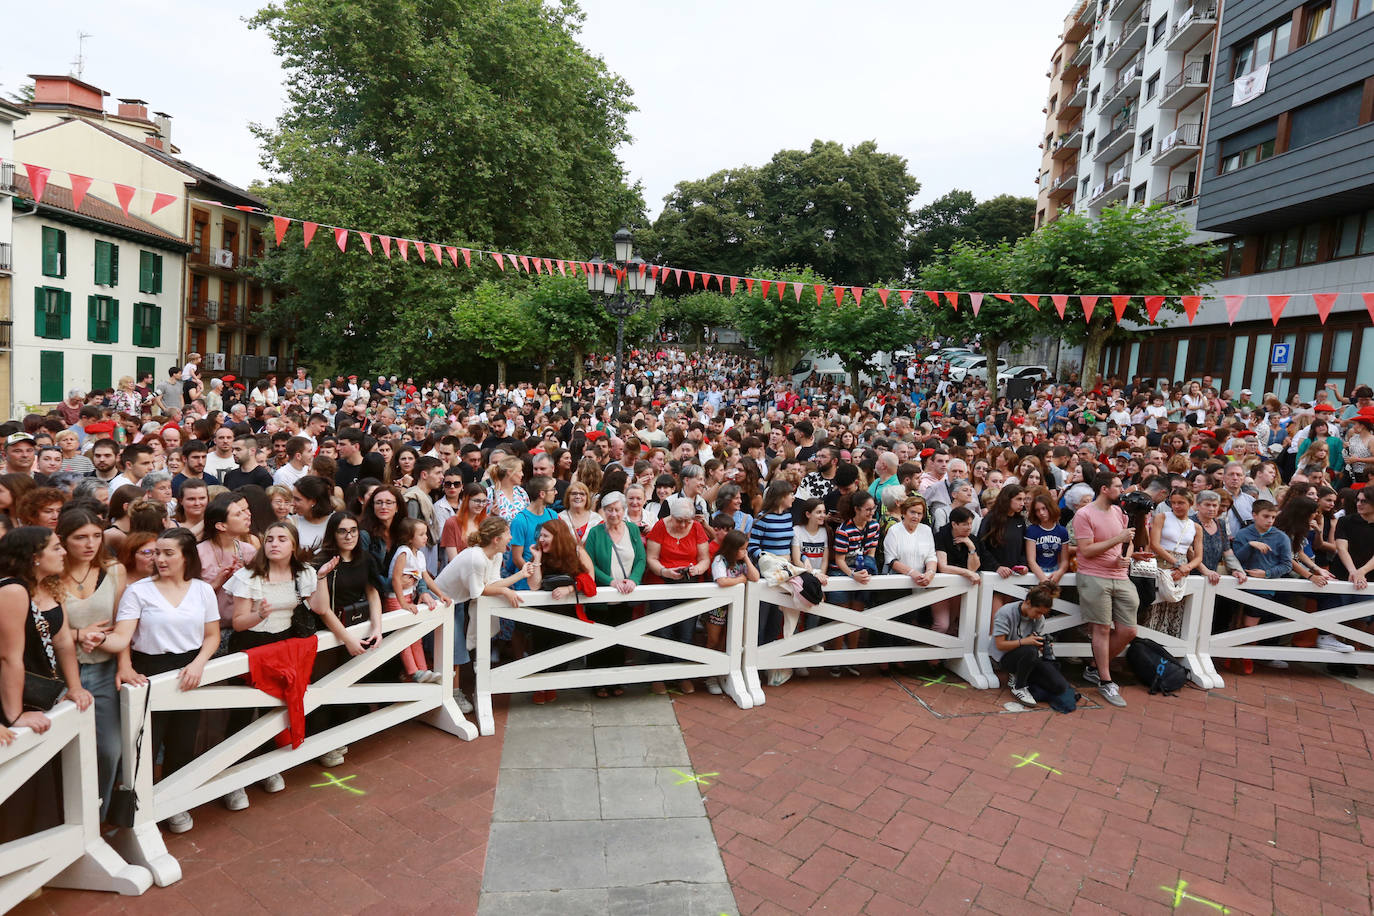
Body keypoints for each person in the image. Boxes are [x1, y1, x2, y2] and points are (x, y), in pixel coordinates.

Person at [104, 528, 219, 833]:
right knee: (144, 740)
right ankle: (139, 808)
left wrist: (198, 664)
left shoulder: (202, 590)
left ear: (186, 556)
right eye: (157, 552)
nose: (160, 559)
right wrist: (125, 667)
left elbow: (212, 636)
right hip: (149, 668)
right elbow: (124, 636)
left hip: (189, 668)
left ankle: (175, 803)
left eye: (169, 553)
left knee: (183, 737)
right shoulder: (138, 591)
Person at [58, 509, 130, 819]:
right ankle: (65, 819)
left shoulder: (114, 570)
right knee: (62, 751)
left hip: (104, 668)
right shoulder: (50, 574)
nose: (90, 544)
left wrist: (123, 664)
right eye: (80, 537)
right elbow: (42, 628)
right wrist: (78, 634)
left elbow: (122, 623)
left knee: (109, 749)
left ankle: (95, 816)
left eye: (96, 536)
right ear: (63, 540)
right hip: (61, 672)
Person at [1073, 473, 1137, 708]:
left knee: (1129, 630)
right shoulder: (1084, 514)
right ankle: (1105, 680)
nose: (1122, 490)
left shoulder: (1120, 512)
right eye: (1118, 487)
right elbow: (1086, 550)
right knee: (1101, 628)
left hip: (1120, 576)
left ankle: (1093, 667)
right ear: (1104, 489)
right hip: (1093, 575)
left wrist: (1126, 558)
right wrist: (1117, 540)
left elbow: (1128, 542)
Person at [644, 497, 711, 695]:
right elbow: (652, 558)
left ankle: (683, 675)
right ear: (671, 516)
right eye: (678, 520)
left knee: (686, 631)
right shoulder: (659, 526)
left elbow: (704, 558)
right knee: (661, 631)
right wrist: (665, 571)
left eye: (686, 521)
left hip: (688, 584)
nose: (682, 525)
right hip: (662, 583)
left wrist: (697, 569)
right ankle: (659, 676)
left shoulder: (697, 528)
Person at [523, 519, 594, 705]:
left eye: (546, 536)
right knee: (539, 648)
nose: (541, 539)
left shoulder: (577, 552)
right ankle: (539, 686)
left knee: (562, 647)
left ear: (558, 537)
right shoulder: (540, 555)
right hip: (542, 612)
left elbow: (590, 580)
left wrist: (569, 590)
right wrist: (537, 559)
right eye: (541, 535)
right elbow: (534, 585)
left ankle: (552, 683)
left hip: (567, 611)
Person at [584, 491, 644, 697]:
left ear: (623, 510)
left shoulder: (633, 530)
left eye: (617, 509)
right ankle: (597, 683)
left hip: (625, 597)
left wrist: (633, 580)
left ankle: (616, 680)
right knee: (599, 640)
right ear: (603, 512)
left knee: (620, 639)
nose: (613, 514)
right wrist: (610, 581)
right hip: (601, 598)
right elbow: (588, 563)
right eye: (609, 510)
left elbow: (640, 560)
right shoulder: (595, 533)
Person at [990, 583, 1077, 712]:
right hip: (1004, 658)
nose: (1038, 616)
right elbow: (1000, 645)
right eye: (1037, 612)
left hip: (1029, 657)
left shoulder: (1039, 618)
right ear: (1028, 602)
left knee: (1060, 686)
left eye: (1042, 613)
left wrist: (1041, 645)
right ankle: (1019, 686)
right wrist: (1026, 641)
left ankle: (1023, 677)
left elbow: (1032, 641)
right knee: (1030, 650)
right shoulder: (1006, 612)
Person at [389, 517, 450, 684]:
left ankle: (424, 670)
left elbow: (427, 579)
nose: (426, 538)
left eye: (426, 534)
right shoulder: (404, 552)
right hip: (396, 599)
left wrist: (440, 594)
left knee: (416, 636)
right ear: (409, 538)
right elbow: (395, 579)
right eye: (421, 534)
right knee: (404, 637)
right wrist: (403, 604)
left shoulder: (420, 555)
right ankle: (413, 672)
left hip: (409, 597)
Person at [708, 530, 759, 695]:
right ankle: (710, 675)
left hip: (736, 608)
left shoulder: (742, 561)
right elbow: (722, 581)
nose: (745, 551)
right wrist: (740, 580)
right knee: (713, 640)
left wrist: (746, 558)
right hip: (717, 608)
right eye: (742, 549)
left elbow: (755, 577)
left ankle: (724, 673)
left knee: (727, 641)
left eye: (746, 548)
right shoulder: (719, 560)